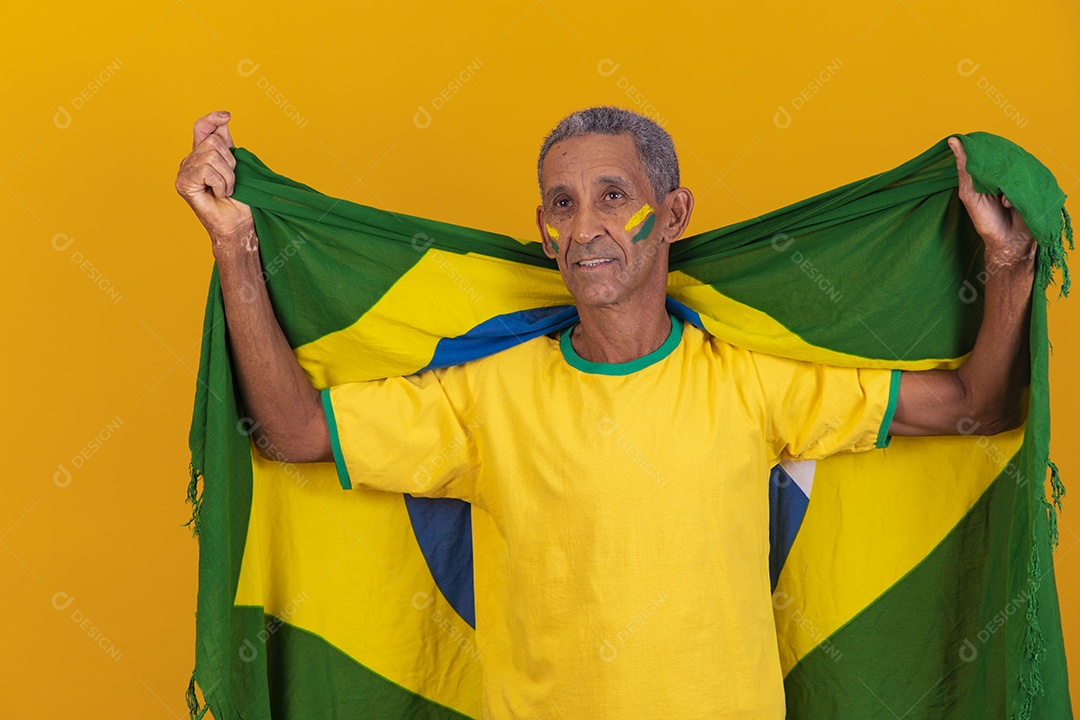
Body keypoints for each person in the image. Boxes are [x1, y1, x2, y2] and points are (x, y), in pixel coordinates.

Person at [176, 106, 1035, 719]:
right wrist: (235, 244)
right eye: (561, 203)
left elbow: (976, 406)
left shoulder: (750, 382)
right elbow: (293, 433)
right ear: (544, 234)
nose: (586, 225)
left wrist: (1006, 264)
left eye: (613, 195)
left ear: (674, 214)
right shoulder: (487, 397)